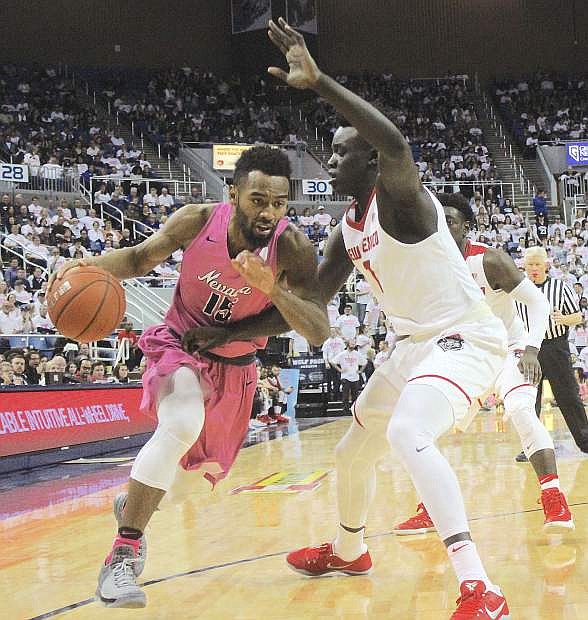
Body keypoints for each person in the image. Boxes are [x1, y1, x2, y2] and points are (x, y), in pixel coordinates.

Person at [188, 19, 511, 618]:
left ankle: (479, 586)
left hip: (465, 337)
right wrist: (230, 330)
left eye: (341, 152)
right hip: (412, 346)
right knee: (350, 451)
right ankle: (350, 549)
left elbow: (397, 145)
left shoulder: (404, 203)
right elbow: (310, 314)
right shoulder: (346, 230)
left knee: (408, 433)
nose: (330, 160)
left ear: (368, 162)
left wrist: (320, 83)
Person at [51, 145, 329, 608]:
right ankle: (123, 555)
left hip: (236, 371)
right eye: (258, 199)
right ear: (234, 192)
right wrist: (84, 267)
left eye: (279, 203)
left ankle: (135, 501)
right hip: (178, 346)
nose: (268, 212)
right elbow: (139, 260)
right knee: (181, 422)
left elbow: (315, 328)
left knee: (181, 492)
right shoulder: (197, 220)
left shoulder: (292, 247)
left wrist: (269, 293)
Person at [393, 195, 573, 536]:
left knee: (521, 409)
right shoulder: (429, 264)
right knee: (424, 427)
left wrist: (533, 349)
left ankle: (552, 493)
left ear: (468, 227)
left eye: (452, 220)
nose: (444, 226)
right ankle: (431, 507)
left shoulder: (489, 260)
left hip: (509, 349)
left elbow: (537, 303)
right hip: (465, 355)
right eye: (438, 220)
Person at [517, 246, 588, 454]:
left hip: (556, 347)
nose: (534, 268)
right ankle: (531, 447)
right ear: (524, 266)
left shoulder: (559, 287)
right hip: (530, 348)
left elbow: (577, 317)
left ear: (546, 265)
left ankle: (585, 441)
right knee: (529, 399)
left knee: (568, 396)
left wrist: (563, 319)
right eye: (530, 264)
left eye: (538, 264)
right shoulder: (518, 290)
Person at [332, 338, 366, 414]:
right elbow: (333, 361)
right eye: (352, 343)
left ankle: (354, 410)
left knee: (355, 395)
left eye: (354, 344)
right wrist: (339, 370)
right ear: (348, 344)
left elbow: (364, 362)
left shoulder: (357, 354)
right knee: (345, 395)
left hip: (355, 376)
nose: (353, 345)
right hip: (345, 376)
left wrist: (360, 371)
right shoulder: (342, 354)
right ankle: (345, 410)